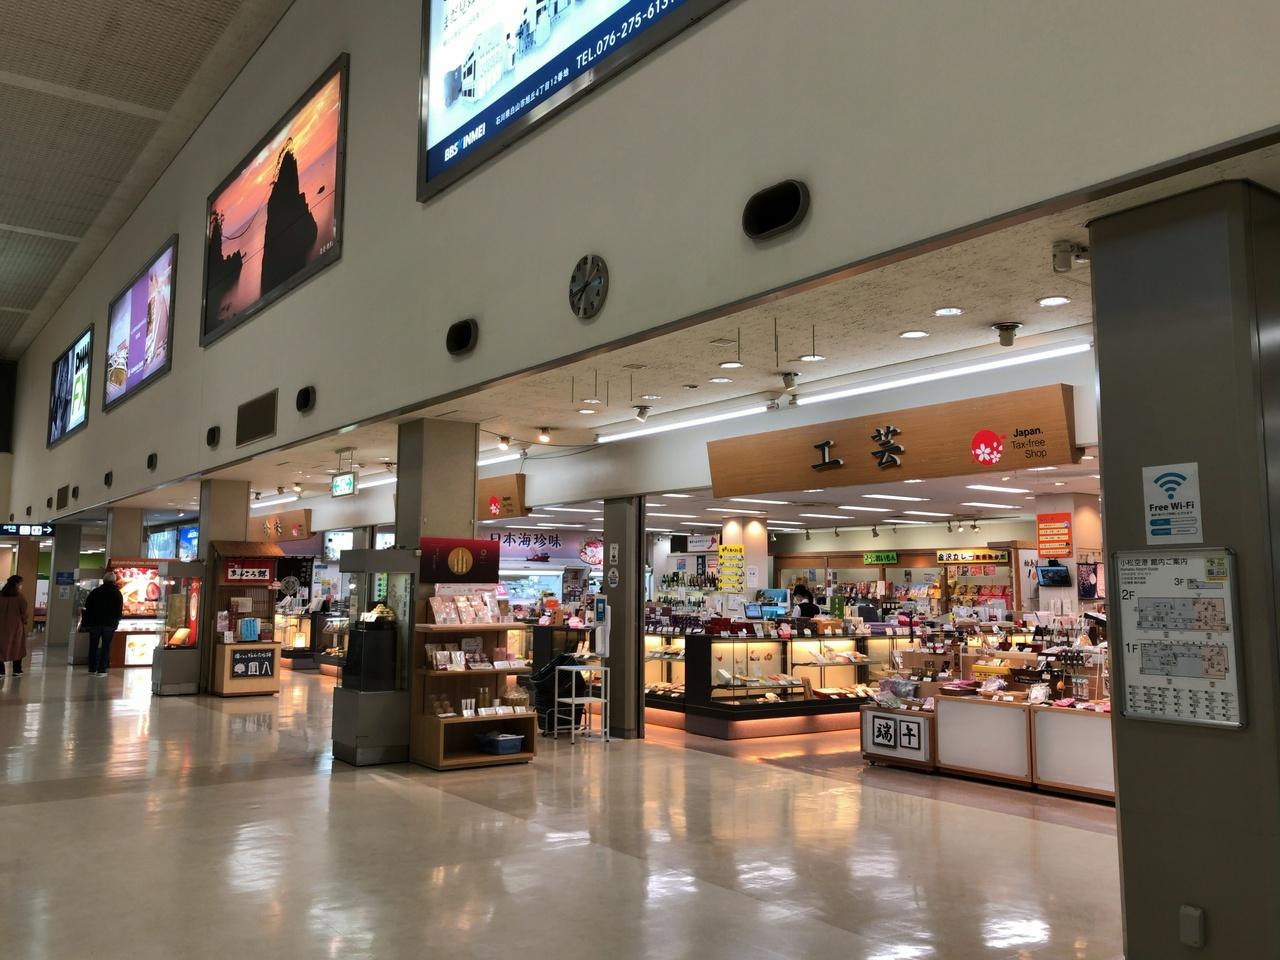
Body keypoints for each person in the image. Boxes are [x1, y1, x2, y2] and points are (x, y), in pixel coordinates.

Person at [83, 571, 124, 677]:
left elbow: (87, 606)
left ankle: (92, 668)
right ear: (114, 581)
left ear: (104, 580)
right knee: (106, 646)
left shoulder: (95, 592)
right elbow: (119, 610)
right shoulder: (117, 593)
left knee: (93, 646)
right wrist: (116, 621)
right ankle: (102, 670)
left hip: (95, 623)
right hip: (109, 624)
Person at [0, 575, 30, 677]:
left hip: (1, 627)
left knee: (1, 647)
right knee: (17, 647)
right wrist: (24, 621)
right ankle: (17, 670)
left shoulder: (1, 595)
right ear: (17, 584)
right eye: (20, 584)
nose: (21, 586)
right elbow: (24, 612)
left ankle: (1, 671)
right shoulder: (20, 597)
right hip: (16, 627)